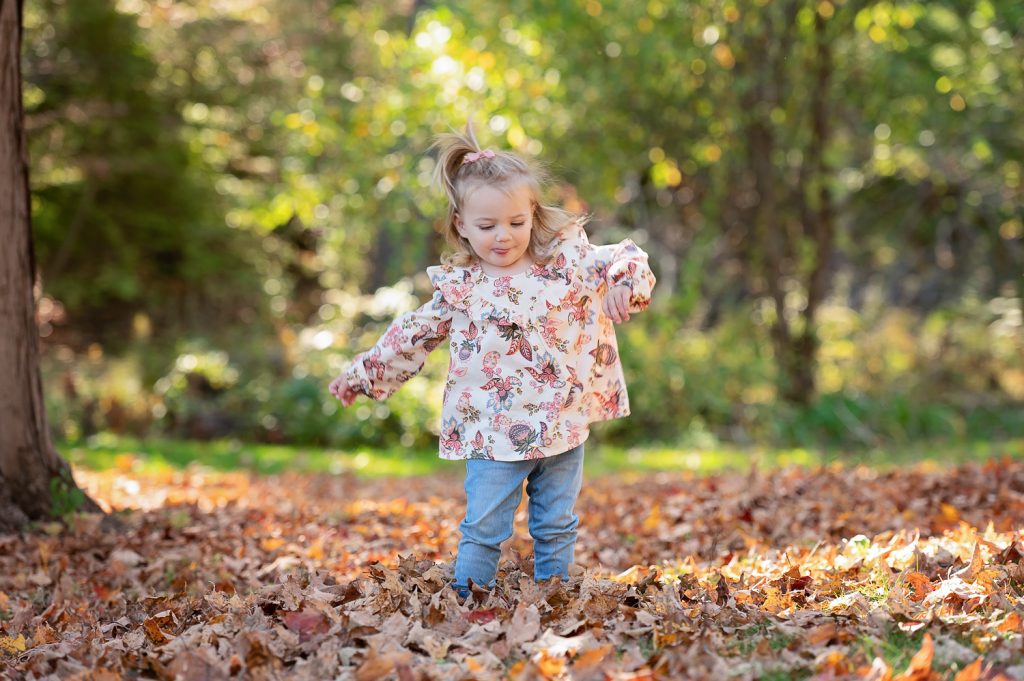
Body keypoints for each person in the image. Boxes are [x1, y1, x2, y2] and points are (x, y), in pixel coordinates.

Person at [329, 123, 655, 600]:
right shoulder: (462, 288)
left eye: (516, 223)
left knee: (557, 524)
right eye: (487, 226)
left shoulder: (564, 262)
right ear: (461, 224)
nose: (503, 237)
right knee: (484, 527)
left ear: (532, 215)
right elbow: (412, 334)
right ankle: (466, 600)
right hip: (493, 432)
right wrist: (364, 373)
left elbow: (625, 256)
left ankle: (555, 596)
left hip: (562, 423)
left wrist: (626, 284)